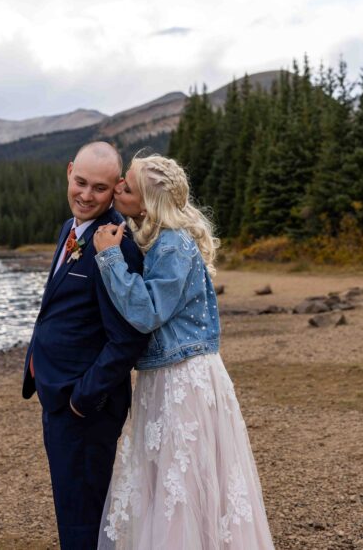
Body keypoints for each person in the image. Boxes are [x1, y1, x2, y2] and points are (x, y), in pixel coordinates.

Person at [91, 154, 274, 549]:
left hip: (183, 380)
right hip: (167, 375)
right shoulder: (158, 237)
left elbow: (148, 311)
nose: (117, 187)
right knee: (173, 480)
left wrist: (108, 258)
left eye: (127, 186)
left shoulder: (173, 246)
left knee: (184, 482)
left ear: (147, 203)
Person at [21, 141, 150, 550]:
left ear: (116, 189)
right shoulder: (70, 228)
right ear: (69, 171)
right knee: (73, 511)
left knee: (83, 523)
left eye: (99, 188)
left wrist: (82, 399)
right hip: (57, 393)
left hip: (85, 408)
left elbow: (128, 336)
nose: (86, 195)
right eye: (80, 182)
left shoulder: (115, 243)